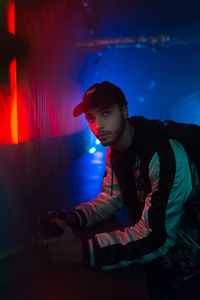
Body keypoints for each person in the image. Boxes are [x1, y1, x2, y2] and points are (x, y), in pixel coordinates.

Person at [38, 81, 200, 299]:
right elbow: (110, 198)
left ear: (124, 111)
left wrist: (81, 251)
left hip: (190, 268)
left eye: (106, 113)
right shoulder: (116, 153)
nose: (98, 126)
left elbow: (156, 237)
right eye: (91, 118)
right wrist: (73, 218)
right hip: (155, 262)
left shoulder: (165, 154)